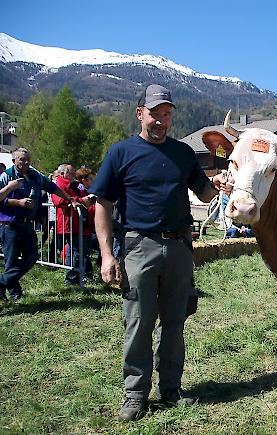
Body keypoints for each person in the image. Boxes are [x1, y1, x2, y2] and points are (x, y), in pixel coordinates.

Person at [90, 84, 230, 421]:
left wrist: (220, 183)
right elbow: (103, 207)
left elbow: (205, 191)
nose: (161, 121)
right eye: (155, 114)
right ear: (140, 114)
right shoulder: (120, 153)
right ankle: (135, 395)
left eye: (167, 115)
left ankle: (171, 390)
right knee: (138, 324)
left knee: (174, 322)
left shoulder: (182, 153)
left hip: (180, 248)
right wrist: (108, 256)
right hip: (139, 246)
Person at [0, 148, 77, 301]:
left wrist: (70, 199)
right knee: (11, 259)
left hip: (28, 223)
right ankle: (14, 294)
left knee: (32, 256)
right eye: (22, 159)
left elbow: (53, 188)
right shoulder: (6, 176)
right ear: (14, 161)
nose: (26, 162)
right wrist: (14, 195)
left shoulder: (35, 176)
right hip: (10, 224)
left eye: (28, 159)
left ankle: (2, 283)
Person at [52, 164, 95, 286]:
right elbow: (58, 201)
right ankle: (71, 279)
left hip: (77, 223)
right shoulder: (59, 185)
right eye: (71, 173)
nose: (74, 175)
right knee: (75, 252)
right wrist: (79, 200)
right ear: (63, 174)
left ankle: (73, 279)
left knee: (76, 252)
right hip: (68, 223)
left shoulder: (75, 185)